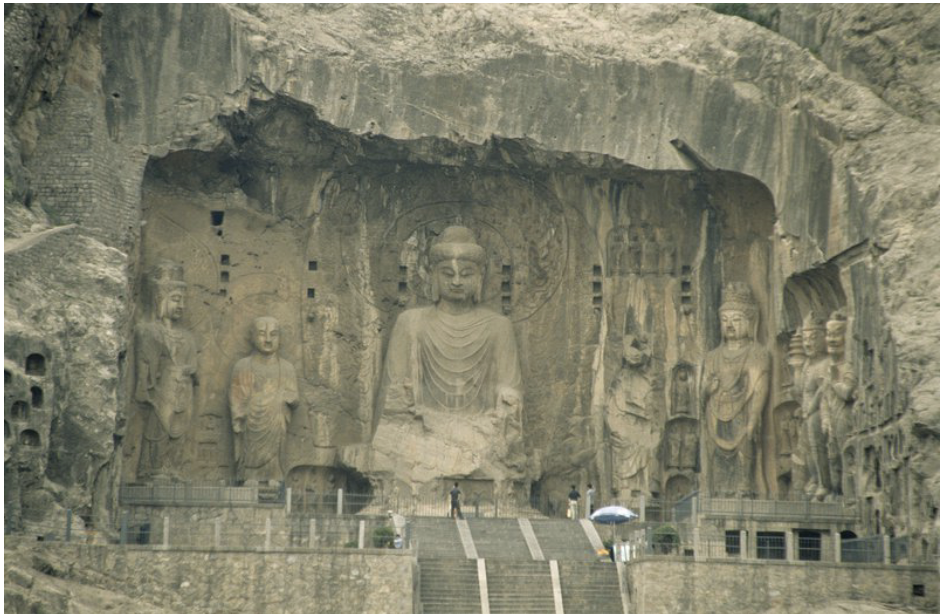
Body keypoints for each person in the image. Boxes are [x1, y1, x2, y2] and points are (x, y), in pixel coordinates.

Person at [700, 282, 770, 497]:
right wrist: (707, 390)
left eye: (737, 320)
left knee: (745, 449)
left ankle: (744, 489)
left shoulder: (757, 353)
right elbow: (703, 390)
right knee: (715, 456)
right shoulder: (712, 356)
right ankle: (718, 491)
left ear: (749, 322)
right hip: (716, 410)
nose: (730, 325)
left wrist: (753, 417)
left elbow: (760, 388)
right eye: (725, 320)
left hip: (744, 409)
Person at [135, 260, 198, 479]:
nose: (181, 305)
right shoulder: (149, 331)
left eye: (183, 301)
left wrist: (189, 370)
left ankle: (173, 467)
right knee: (159, 427)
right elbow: (144, 363)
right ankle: (153, 468)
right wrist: (145, 387)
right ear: (160, 299)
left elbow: (194, 366)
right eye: (175, 299)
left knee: (179, 430)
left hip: (183, 388)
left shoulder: (188, 337)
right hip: (162, 388)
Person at [229, 316, 299, 482]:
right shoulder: (243, 366)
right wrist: (239, 415)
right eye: (262, 334)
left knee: (275, 443)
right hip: (251, 422)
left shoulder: (287, 368)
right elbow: (236, 396)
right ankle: (248, 477)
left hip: (275, 423)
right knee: (250, 446)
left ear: (280, 338)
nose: (268, 339)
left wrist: (283, 398)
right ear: (252, 337)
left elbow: (295, 398)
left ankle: (274, 477)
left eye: (273, 334)